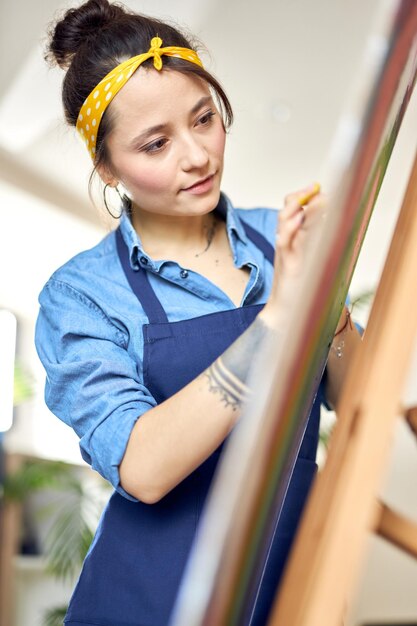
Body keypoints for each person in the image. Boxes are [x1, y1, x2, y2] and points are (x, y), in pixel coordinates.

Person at [35, 1, 362, 624]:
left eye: (204, 119)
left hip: (288, 585)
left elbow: (359, 402)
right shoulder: (80, 295)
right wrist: (279, 316)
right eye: (155, 144)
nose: (197, 156)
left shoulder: (281, 239)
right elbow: (145, 468)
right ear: (106, 166)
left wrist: (333, 311)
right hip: (147, 600)